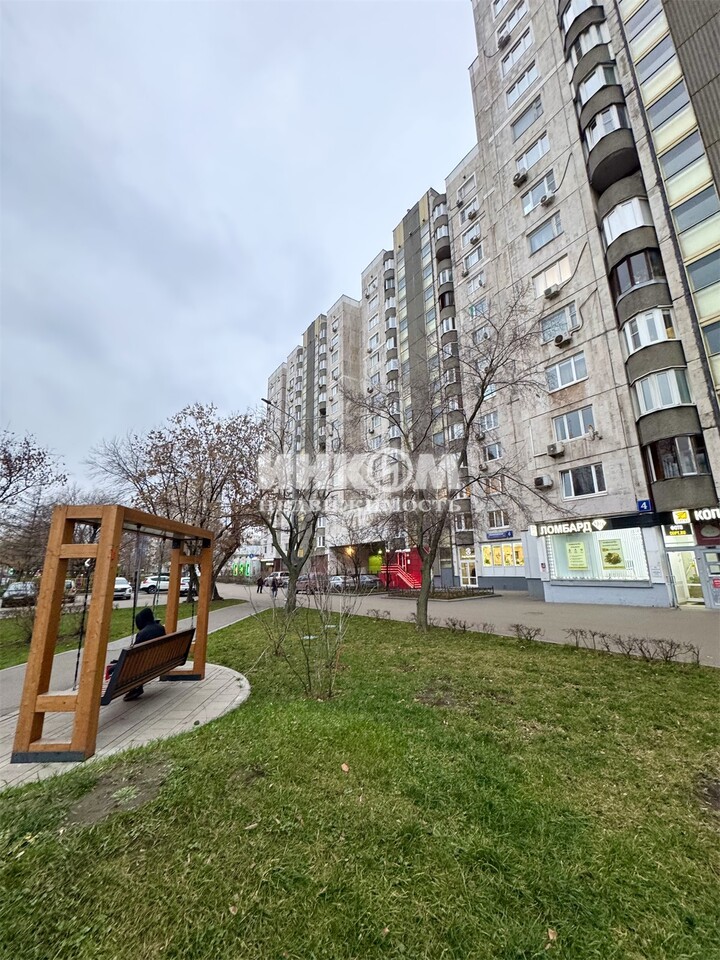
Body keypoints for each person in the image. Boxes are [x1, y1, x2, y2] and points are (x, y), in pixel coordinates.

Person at [123, 607, 166, 701]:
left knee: (121, 666)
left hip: (143, 664)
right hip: (159, 661)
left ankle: (135, 688)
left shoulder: (143, 633)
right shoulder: (161, 628)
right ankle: (136, 688)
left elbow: (133, 653)